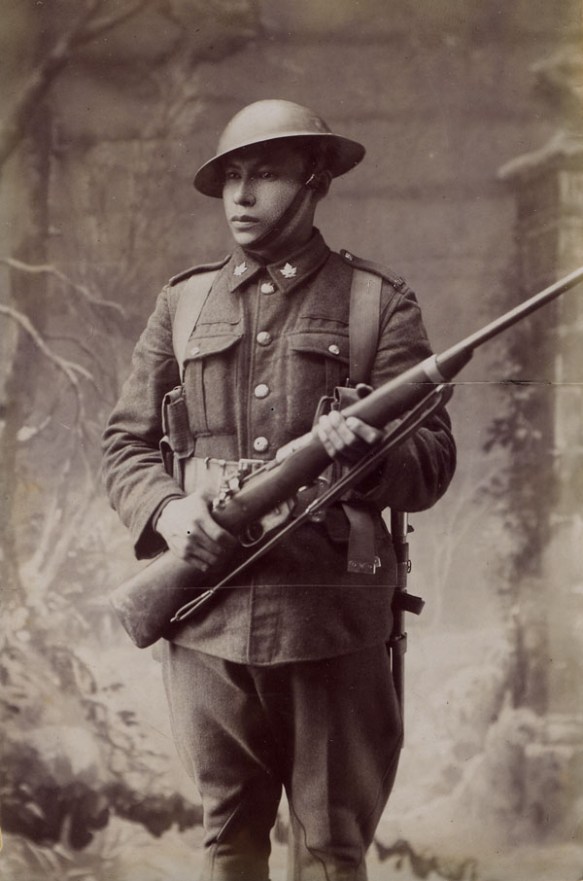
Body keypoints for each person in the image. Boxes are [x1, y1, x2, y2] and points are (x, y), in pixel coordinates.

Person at [102, 99, 456, 881]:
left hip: (330, 618)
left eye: (264, 174)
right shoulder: (184, 303)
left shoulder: (376, 302)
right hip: (205, 615)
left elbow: (429, 462)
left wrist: (368, 453)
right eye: (232, 176)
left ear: (315, 180)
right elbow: (125, 443)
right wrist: (169, 507)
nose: (241, 196)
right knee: (227, 843)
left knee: (330, 851)